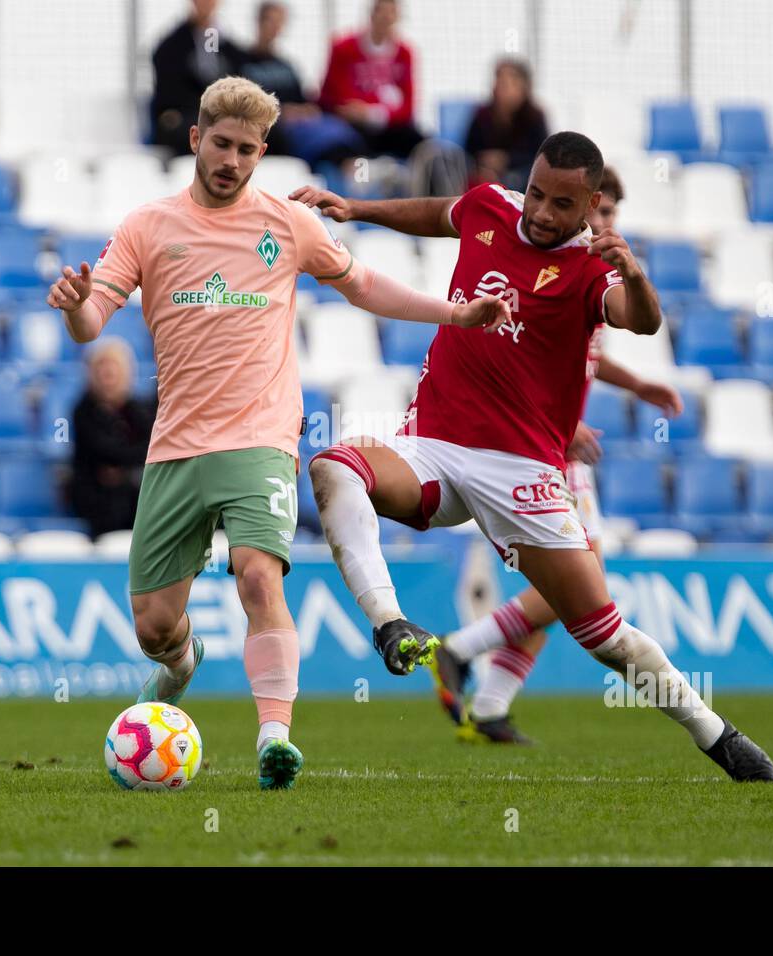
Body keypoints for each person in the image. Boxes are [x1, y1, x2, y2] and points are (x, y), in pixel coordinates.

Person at [46, 76, 509, 790]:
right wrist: (76, 308)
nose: (232, 160)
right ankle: (181, 663)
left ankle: (274, 741)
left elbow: (365, 286)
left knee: (260, 577)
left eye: (247, 150)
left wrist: (454, 314)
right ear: (197, 140)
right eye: (221, 144)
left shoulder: (287, 225)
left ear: (263, 152)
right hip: (174, 448)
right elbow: (91, 320)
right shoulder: (147, 226)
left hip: (261, 438)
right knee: (153, 627)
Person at [292, 133, 773, 782]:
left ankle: (714, 734)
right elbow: (441, 214)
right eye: (538, 194)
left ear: (592, 205)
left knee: (606, 637)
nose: (544, 213)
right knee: (333, 465)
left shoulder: (590, 270)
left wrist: (634, 273)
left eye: (563, 204)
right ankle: (391, 625)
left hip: (522, 471)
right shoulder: (491, 207)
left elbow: (641, 322)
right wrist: (356, 207)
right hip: (432, 447)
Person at [427, 166, 685, 745]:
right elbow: (520, 359)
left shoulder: (596, 273)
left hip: (550, 446)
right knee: (576, 584)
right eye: (599, 212)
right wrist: (561, 430)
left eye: (613, 214)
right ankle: (462, 650)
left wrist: (638, 385)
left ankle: (490, 706)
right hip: (538, 453)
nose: (604, 223)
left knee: (561, 590)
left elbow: (589, 355)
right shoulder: (557, 267)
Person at [239, 1, 366, 165]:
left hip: (303, 123)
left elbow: (303, 99)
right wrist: (281, 111)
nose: (275, 27)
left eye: (280, 22)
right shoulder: (241, 62)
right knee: (326, 147)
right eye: (271, 21)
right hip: (276, 126)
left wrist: (307, 109)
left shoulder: (286, 65)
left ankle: (358, 171)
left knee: (344, 133)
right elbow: (242, 103)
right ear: (259, 21)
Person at [70, 337, 157, 539]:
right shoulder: (83, 411)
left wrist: (123, 471)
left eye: (114, 368)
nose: (108, 375)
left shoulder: (137, 409)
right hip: (98, 498)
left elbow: (153, 446)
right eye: (102, 368)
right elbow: (104, 451)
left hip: (134, 492)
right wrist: (131, 462)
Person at [317, 0, 423, 160]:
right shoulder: (343, 47)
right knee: (348, 148)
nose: (386, 18)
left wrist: (374, 112)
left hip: (390, 125)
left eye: (391, 13)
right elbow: (334, 96)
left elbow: (408, 107)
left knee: (421, 144)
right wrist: (376, 106)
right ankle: (362, 180)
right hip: (352, 127)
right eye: (382, 12)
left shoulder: (404, 53)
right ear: (372, 14)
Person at [148, 0, 245, 156]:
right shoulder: (174, 44)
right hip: (185, 114)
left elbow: (218, 72)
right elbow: (170, 90)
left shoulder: (216, 39)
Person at [464, 59, 549, 193]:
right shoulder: (482, 115)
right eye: (498, 80)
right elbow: (469, 150)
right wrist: (483, 163)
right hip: (484, 175)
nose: (499, 87)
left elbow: (541, 155)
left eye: (506, 84)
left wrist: (506, 160)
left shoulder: (534, 116)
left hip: (520, 178)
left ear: (522, 87)